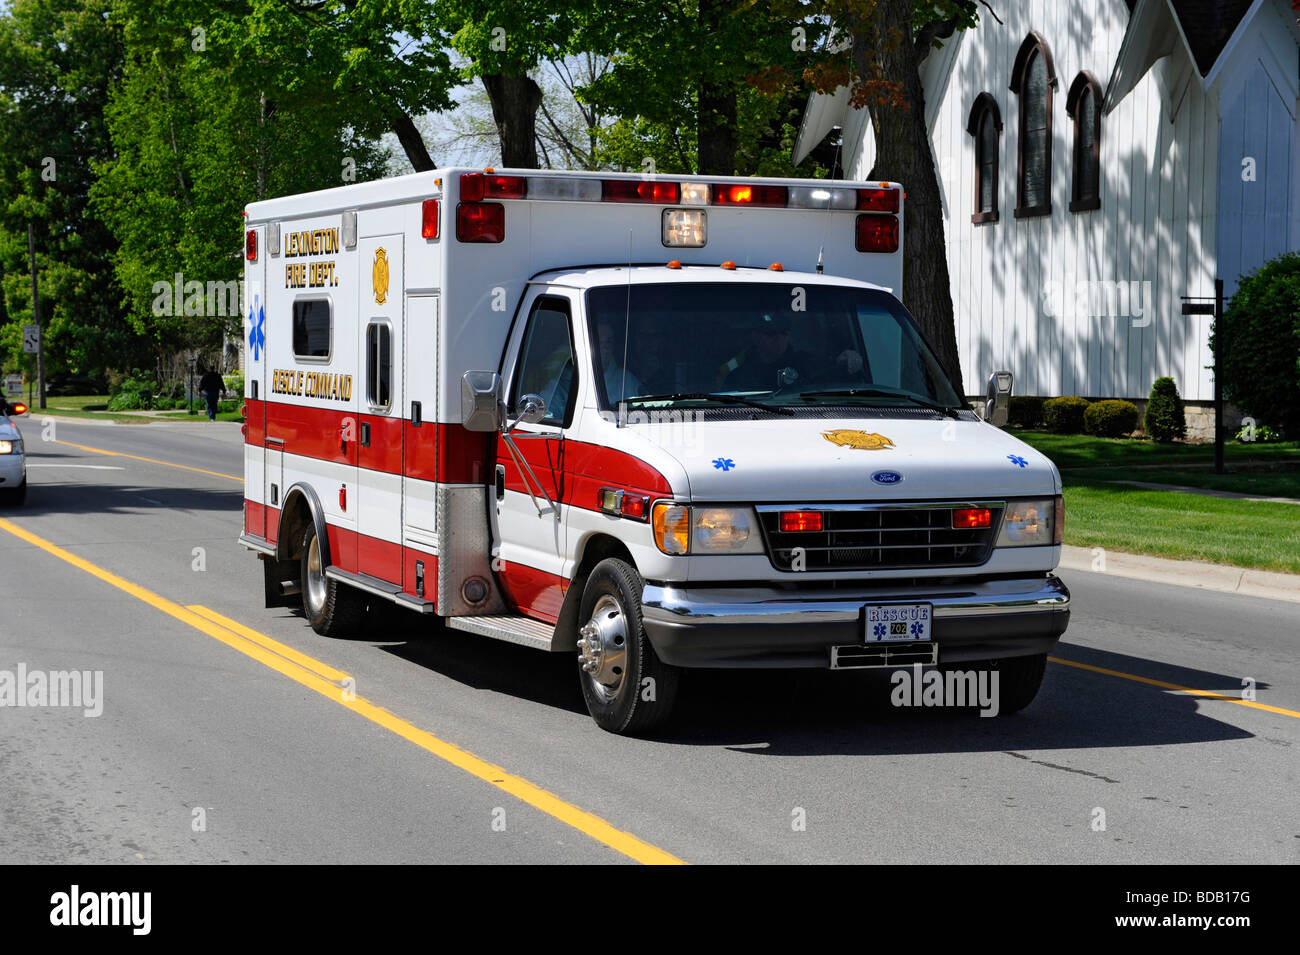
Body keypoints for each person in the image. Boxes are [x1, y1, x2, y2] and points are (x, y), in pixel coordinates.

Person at [596, 320, 642, 404]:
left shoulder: (627, 380)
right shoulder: (573, 379)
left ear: (613, 345)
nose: (605, 347)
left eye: (608, 342)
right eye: (598, 341)